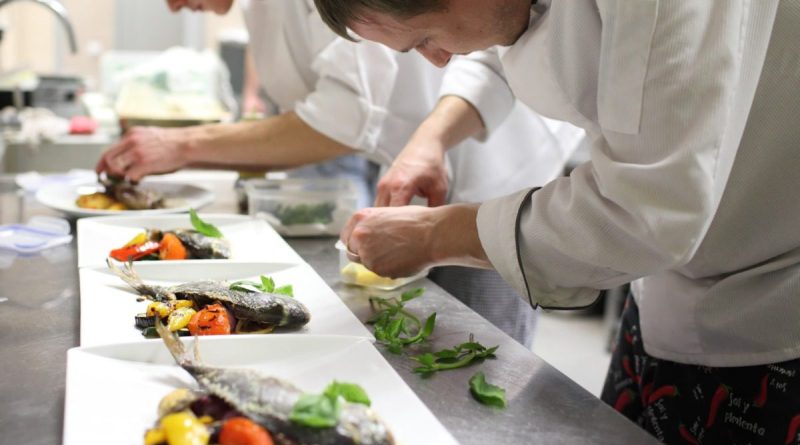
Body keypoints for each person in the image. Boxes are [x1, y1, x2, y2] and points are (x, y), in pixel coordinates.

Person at [316, 0, 800, 445]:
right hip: (669, 282)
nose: (439, 60)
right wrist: (432, 138)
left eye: (424, 39)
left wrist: (434, 234)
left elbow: (641, 214)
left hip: (771, 298)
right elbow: (499, 41)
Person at [96, 0, 584, 348]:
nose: (173, 7)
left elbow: (346, 117)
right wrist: (425, 146)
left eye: (424, 43)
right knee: (413, 345)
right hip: (418, 165)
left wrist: (184, 145)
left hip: (497, 175)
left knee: (478, 357)